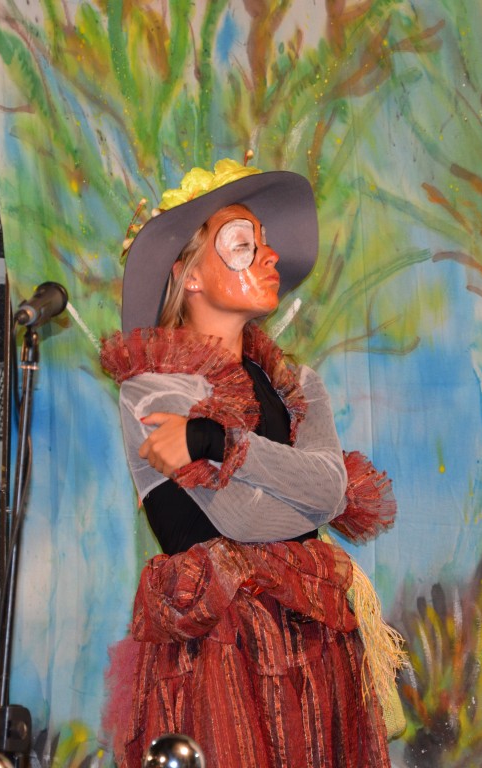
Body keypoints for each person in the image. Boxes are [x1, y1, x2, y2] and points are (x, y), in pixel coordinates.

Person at [100, 160, 403, 767]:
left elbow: (330, 492)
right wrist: (294, 491)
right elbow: (239, 518)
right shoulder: (153, 390)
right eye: (243, 243)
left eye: (265, 244)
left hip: (315, 649)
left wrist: (219, 443)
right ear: (188, 274)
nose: (270, 257)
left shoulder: (297, 386)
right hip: (221, 652)